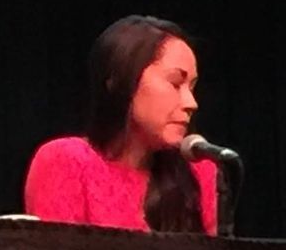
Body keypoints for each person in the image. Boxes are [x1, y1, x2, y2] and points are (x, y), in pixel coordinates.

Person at [24, 15, 220, 234]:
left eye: (191, 87)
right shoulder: (68, 161)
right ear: (121, 82)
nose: (191, 103)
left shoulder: (199, 172)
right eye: (175, 83)